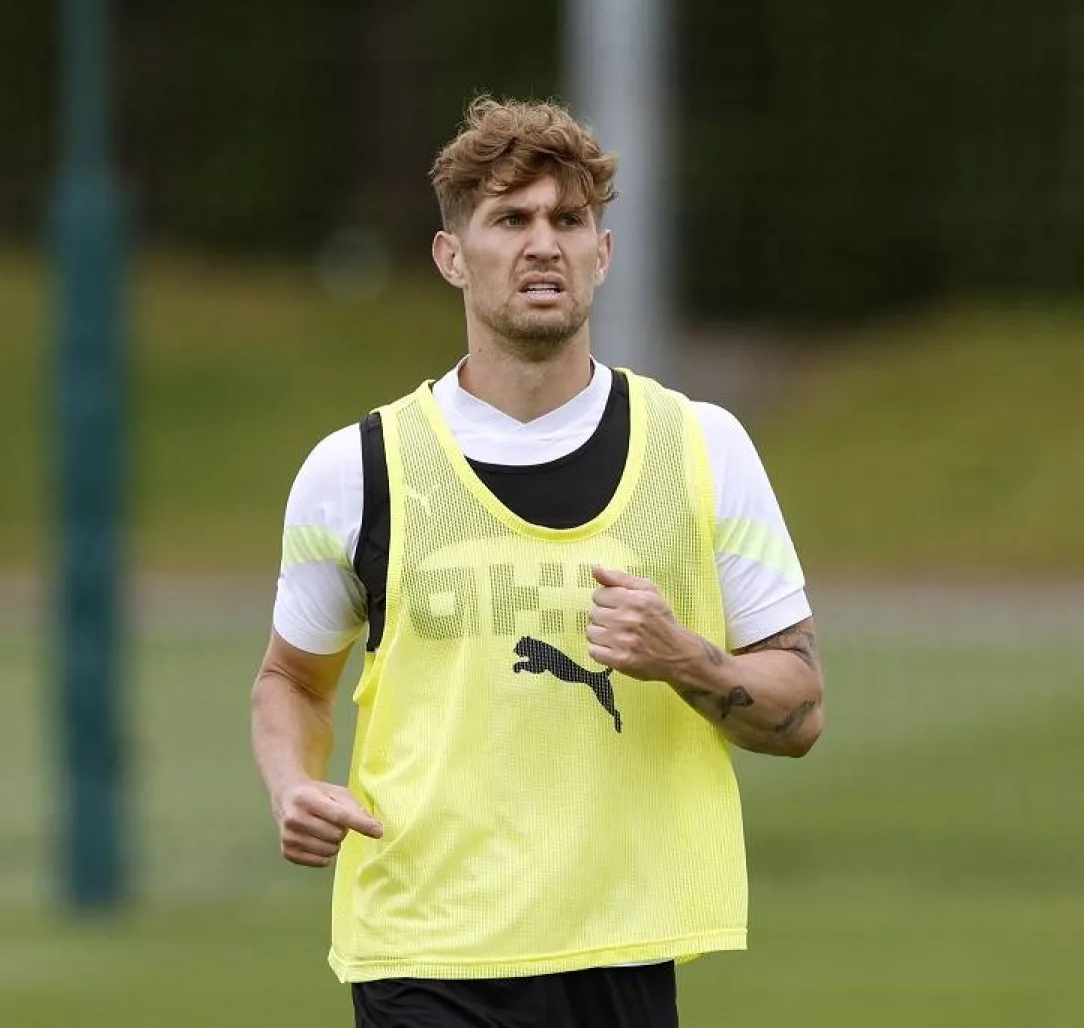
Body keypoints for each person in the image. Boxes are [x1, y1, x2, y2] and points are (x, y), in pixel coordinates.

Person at [250, 95, 825, 1028]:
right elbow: (291, 680)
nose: (544, 244)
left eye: (569, 220)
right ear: (452, 256)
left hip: (621, 949)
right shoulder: (357, 470)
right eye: (511, 220)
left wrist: (684, 657)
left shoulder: (702, 447)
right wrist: (294, 784)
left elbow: (799, 710)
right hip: (423, 951)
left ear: (604, 252)